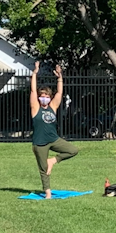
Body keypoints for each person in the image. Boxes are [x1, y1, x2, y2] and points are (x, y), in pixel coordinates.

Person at [30, 61, 79, 199]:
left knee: (73, 150)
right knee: (43, 169)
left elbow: (60, 92)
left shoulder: (53, 107)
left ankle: (53, 161)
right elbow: (33, 90)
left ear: (49, 98)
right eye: (42, 96)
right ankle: (48, 193)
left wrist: (59, 77)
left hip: (54, 139)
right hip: (40, 143)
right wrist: (34, 73)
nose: (44, 98)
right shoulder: (35, 108)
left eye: (46, 96)